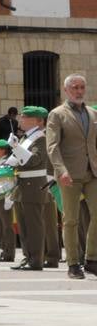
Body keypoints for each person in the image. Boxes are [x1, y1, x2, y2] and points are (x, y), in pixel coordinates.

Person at [47, 75, 97, 279]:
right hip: (69, 174)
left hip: (92, 171)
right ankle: (73, 263)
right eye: (74, 87)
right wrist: (61, 170)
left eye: (82, 87)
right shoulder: (57, 114)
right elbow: (52, 146)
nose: (79, 91)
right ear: (66, 90)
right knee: (71, 220)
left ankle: (92, 259)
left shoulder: (92, 114)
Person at [5, 107, 49, 272]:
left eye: (25, 117)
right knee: (23, 226)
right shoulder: (25, 138)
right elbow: (16, 160)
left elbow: (34, 161)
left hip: (34, 186)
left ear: (38, 121)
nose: (21, 119)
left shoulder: (41, 138)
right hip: (22, 185)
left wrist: (16, 147)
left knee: (34, 225)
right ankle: (27, 256)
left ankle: (36, 260)